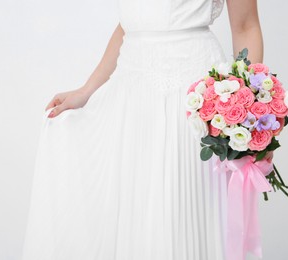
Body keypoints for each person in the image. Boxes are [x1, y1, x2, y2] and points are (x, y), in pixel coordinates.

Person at [21, 0, 263, 259]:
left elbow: (246, 25)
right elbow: (130, 24)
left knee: (181, 205)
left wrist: (246, 105)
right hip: (132, 93)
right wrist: (86, 91)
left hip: (193, 94)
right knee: (136, 207)